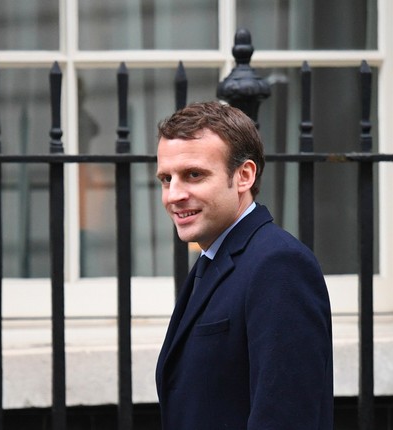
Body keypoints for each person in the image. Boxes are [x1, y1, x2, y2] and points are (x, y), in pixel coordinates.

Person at [154, 101, 333, 429]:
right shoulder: (213, 259)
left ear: (244, 176)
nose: (173, 195)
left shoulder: (279, 266)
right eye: (166, 179)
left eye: (193, 175)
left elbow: (285, 418)